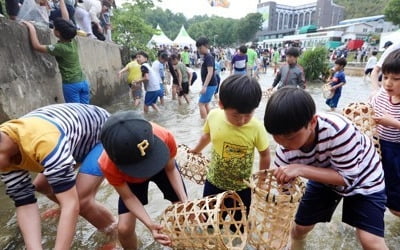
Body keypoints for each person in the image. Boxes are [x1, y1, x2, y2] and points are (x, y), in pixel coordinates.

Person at [264, 87, 387, 250]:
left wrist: (301, 169)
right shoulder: (283, 152)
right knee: (299, 229)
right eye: (277, 138)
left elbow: (347, 178)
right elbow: (284, 196)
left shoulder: (338, 130)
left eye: (290, 138)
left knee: (370, 240)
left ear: (312, 122)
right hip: (323, 176)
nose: (285, 145)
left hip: (364, 177)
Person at [0, 103, 116, 249]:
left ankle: (114, 234)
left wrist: (70, 206)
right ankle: (65, 208)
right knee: (43, 186)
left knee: (80, 201)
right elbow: (24, 202)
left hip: (103, 134)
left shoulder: (44, 142)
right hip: (72, 139)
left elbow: (72, 204)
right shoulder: (6, 158)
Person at [99, 110, 187, 249]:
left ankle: (181, 245)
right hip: (132, 180)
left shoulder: (164, 136)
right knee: (124, 229)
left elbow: (171, 169)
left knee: (183, 213)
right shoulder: (107, 164)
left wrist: (185, 202)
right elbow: (128, 198)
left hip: (162, 167)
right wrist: (150, 225)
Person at [190, 74, 271, 215]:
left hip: (242, 188)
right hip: (214, 182)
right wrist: (195, 151)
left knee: (239, 225)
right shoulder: (214, 116)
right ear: (221, 104)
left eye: (248, 115)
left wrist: (262, 181)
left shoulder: (257, 128)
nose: (242, 121)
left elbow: (265, 155)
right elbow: (207, 136)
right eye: (236, 115)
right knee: (210, 220)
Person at [22, 5, 90, 104]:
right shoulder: (73, 41)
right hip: (84, 82)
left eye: (54, 28)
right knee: (86, 111)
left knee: (76, 113)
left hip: (71, 85)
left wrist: (31, 27)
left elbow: (36, 46)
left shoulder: (59, 48)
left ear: (58, 33)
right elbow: (66, 21)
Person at [370, 48, 400, 217]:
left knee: (395, 203)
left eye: (396, 79)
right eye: (386, 77)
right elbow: (369, 110)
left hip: (396, 153)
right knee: (375, 189)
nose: (388, 83)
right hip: (378, 147)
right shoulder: (381, 95)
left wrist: (394, 123)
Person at [196, 37, 218, 119]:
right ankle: (209, 120)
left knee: (201, 103)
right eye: (198, 48)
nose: (199, 50)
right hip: (210, 84)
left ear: (206, 46)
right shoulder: (207, 56)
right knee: (205, 103)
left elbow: (210, 72)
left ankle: (204, 123)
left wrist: (205, 86)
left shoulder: (208, 57)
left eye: (200, 48)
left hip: (210, 84)